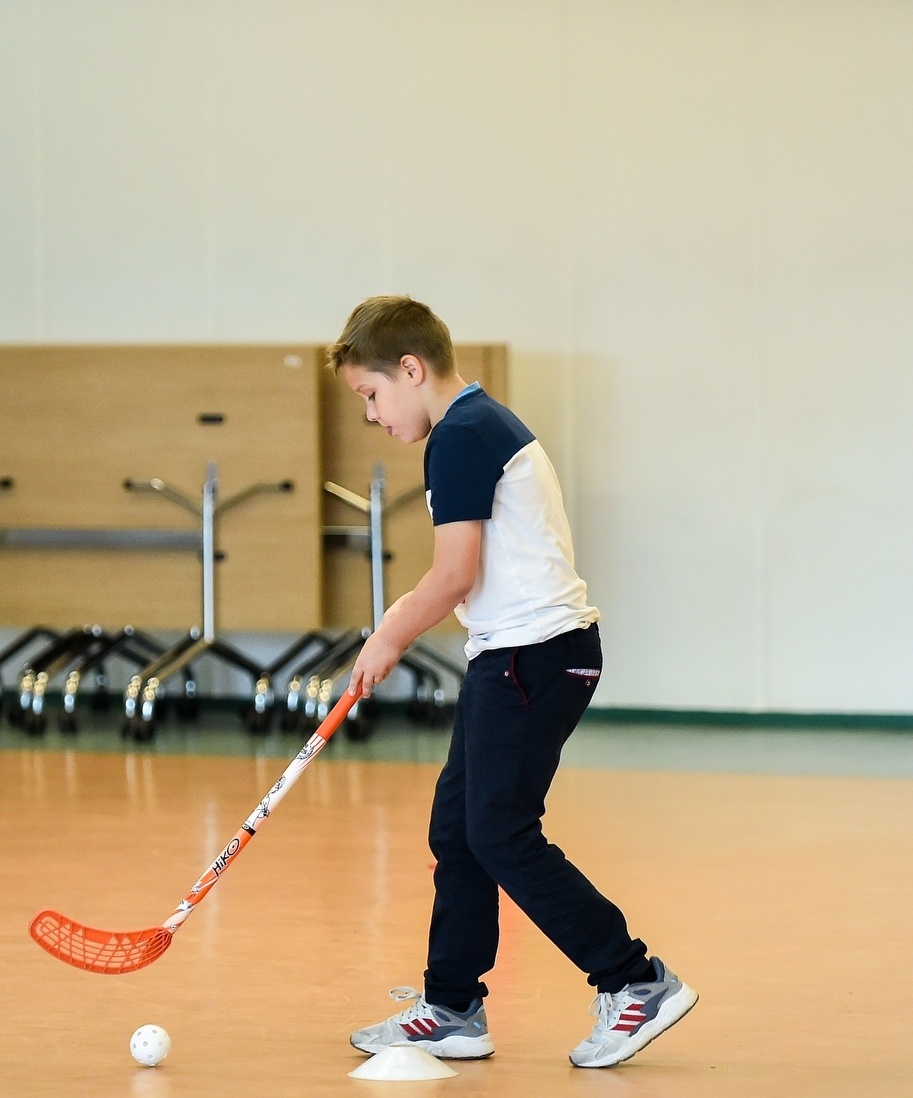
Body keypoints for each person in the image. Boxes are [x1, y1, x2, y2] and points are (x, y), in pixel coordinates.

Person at [335, 296, 695, 1068]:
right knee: (460, 830)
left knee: (498, 831)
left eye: (371, 394)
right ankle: (453, 1007)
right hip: (516, 654)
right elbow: (468, 575)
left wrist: (389, 636)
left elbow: (454, 572)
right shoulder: (478, 424)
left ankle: (635, 982)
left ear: (410, 368)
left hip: (533, 658)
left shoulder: (461, 435)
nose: (371, 414)